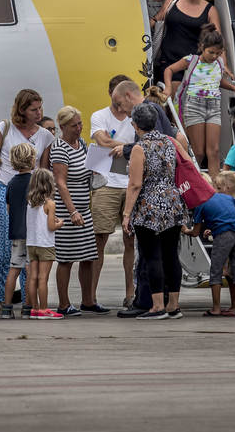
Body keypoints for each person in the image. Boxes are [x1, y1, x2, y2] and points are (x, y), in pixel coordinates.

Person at [110, 78, 188, 317]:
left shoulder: (139, 147)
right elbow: (184, 162)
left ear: (135, 125)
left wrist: (126, 214)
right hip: (173, 203)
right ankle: (173, 305)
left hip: (150, 206)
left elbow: (135, 184)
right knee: (171, 255)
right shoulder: (170, 142)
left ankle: (156, 306)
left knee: (151, 255)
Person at [0, 89, 55, 307]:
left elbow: (44, 170)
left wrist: (46, 199)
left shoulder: (45, 136)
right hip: (5, 189)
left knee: (30, 249)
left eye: (40, 108)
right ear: (22, 110)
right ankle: (4, 300)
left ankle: (28, 301)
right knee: (5, 248)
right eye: (33, 109)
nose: (39, 113)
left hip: (32, 195)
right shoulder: (5, 128)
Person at [163, 26, 235, 178]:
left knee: (214, 151)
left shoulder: (219, 62)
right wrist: (168, 88)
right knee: (199, 152)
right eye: (211, 52)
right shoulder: (191, 60)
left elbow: (217, 81)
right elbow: (169, 70)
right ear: (202, 47)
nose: (214, 56)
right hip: (194, 105)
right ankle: (191, 181)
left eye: (218, 53)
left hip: (214, 105)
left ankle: (214, 187)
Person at [88, 74, 136, 309]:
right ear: (111, 94)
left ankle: (130, 293)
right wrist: (131, 147)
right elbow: (102, 141)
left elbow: (140, 144)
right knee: (99, 240)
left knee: (131, 241)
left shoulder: (135, 117)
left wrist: (125, 148)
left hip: (132, 184)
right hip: (106, 182)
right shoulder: (99, 116)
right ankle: (90, 297)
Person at [49, 106, 102, 316]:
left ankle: (88, 301)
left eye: (80, 123)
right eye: (74, 125)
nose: (79, 128)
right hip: (67, 211)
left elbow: (87, 170)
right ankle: (64, 304)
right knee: (66, 259)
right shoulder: (59, 148)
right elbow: (60, 183)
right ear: (62, 127)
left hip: (83, 209)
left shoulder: (81, 144)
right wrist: (72, 212)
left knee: (88, 257)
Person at [185, 171, 235, 317]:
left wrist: (185, 230)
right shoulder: (227, 197)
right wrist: (231, 223)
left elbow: (195, 232)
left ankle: (216, 308)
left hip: (223, 236)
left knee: (216, 271)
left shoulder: (200, 203)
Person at [152, 0, 221, 86]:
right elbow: (157, 19)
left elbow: (218, 41)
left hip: (194, 63)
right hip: (168, 60)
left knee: (185, 96)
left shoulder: (210, 10)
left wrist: (224, 65)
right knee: (172, 93)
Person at [0, 143, 35, 319]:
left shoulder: (11, 183)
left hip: (16, 232)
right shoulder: (35, 181)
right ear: (32, 159)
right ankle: (27, 307)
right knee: (30, 271)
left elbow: (8, 208)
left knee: (13, 269)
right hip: (32, 233)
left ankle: (7, 308)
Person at [25, 167, 65, 319]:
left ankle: (34, 308)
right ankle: (43, 309)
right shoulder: (50, 203)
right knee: (43, 278)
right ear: (49, 184)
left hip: (32, 243)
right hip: (45, 244)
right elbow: (51, 227)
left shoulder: (30, 202)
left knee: (33, 277)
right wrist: (60, 223)